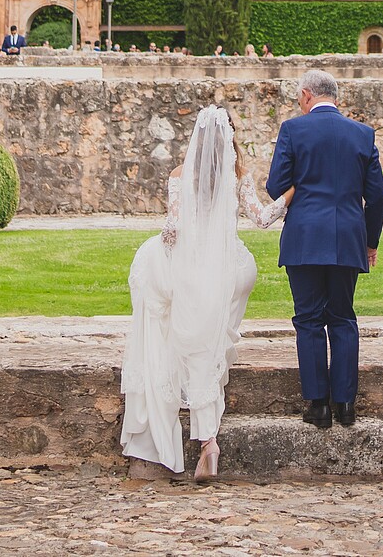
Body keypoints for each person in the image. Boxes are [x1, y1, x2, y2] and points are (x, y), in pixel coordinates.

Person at [121, 106, 290, 483]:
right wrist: (293, 192)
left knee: (197, 348)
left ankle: (208, 441)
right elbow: (263, 219)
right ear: (229, 141)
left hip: (197, 274)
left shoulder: (180, 176)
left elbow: (171, 231)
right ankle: (208, 441)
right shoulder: (239, 178)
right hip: (233, 272)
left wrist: (165, 251)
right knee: (210, 346)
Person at [265, 70, 383, 430]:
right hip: (348, 237)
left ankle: (318, 405)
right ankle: (346, 405)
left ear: (306, 95)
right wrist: (370, 240)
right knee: (343, 317)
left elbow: (276, 185)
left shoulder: (293, 129)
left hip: (303, 236)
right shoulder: (362, 134)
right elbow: (378, 196)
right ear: (336, 96)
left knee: (307, 320)